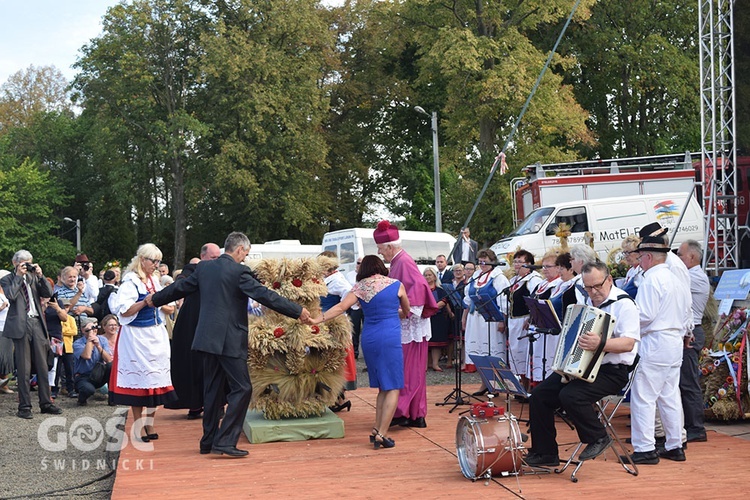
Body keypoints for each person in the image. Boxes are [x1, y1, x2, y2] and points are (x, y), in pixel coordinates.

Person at [149, 232, 311, 457]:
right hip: (229, 340)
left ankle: (208, 442)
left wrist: (154, 300)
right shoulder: (239, 272)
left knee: (212, 391)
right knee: (242, 388)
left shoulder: (203, 269)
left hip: (206, 339)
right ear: (240, 250)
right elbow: (266, 296)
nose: (246, 256)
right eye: (246, 252)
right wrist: (298, 311)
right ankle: (225, 441)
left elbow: (179, 288)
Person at [526, 262, 640, 467]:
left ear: (609, 280)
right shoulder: (588, 302)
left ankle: (598, 437)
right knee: (539, 396)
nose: (593, 292)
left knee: (571, 395)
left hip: (611, 371)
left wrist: (601, 344)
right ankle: (545, 453)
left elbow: (629, 343)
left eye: (597, 286)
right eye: (588, 287)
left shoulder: (624, 304)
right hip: (582, 366)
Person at [310, 255, 410, 449]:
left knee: (383, 385)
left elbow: (340, 307)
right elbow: (406, 311)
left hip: (370, 337)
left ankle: (376, 429)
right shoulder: (396, 284)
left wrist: (317, 320)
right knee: (394, 386)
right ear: (381, 266)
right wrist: (393, 312)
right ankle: (382, 433)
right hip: (389, 336)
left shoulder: (360, 287)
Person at [626, 235, 691, 464]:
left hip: (655, 340)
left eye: (640, 256)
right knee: (669, 395)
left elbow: (645, 315)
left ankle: (645, 448)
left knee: (644, 396)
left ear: (649, 257)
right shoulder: (676, 279)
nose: (639, 261)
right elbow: (686, 313)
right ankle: (675, 444)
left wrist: (626, 321)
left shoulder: (652, 279)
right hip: (674, 339)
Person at [108, 243, 177, 443]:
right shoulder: (130, 283)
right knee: (138, 383)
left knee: (155, 381)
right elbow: (123, 311)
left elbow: (170, 309)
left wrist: (161, 303)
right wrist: (145, 302)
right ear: (142, 260)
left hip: (156, 335)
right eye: (153, 261)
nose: (156, 265)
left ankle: (150, 423)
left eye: (158, 261)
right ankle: (139, 424)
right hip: (136, 337)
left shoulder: (156, 281)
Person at [375, 220, 438, 429]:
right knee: (413, 371)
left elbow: (417, 293)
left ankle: (401, 411)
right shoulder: (398, 262)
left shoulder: (403, 262)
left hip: (409, 326)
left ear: (391, 247)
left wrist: (399, 313)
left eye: (381, 249)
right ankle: (415, 413)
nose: (380, 253)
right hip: (411, 326)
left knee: (406, 370)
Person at [162, 242, 221, 420]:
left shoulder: (221, 269)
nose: (216, 260)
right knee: (192, 364)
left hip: (215, 320)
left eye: (218, 257)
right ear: (203, 257)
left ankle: (218, 404)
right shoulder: (191, 270)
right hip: (192, 322)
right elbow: (181, 281)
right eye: (213, 257)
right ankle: (195, 404)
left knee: (216, 363)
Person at [0, 250, 62, 418]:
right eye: (24, 263)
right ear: (15, 263)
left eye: (29, 262)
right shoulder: (7, 279)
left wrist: (41, 275)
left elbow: (48, 294)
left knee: (43, 366)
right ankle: (24, 406)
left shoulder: (34, 277)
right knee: (24, 367)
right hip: (20, 324)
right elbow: (11, 296)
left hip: (37, 322)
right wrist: (19, 276)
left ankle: (46, 403)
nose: (27, 266)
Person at [461, 249, 510, 393]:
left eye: (485, 260)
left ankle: (497, 384)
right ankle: (485, 383)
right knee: (479, 353)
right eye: (480, 261)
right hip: (474, 319)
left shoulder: (498, 277)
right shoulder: (475, 276)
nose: (482, 263)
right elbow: (468, 300)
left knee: (491, 351)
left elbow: (504, 300)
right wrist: (464, 319)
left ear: (492, 261)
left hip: (491, 319)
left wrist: (502, 320)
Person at [677, 239, 710, 443]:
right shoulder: (690, 275)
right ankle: (689, 424)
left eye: (680, 255)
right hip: (688, 331)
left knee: (688, 382)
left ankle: (696, 426)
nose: (679, 259)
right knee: (683, 382)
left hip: (692, 332)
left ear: (691, 257)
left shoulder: (694, 277)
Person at [318, 251, 356, 412]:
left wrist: (339, 315)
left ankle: (339, 399)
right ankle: (337, 399)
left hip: (334, 324)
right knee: (330, 361)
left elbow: (350, 301)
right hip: (323, 323)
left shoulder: (339, 281)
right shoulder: (326, 279)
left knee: (336, 361)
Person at [507, 249, 544, 386]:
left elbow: (536, 300)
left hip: (525, 321)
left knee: (525, 353)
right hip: (514, 321)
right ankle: (522, 382)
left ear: (529, 264)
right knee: (516, 353)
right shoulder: (514, 280)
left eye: (520, 262)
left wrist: (531, 318)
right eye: (515, 261)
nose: (516, 264)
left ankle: (529, 384)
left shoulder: (533, 280)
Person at [528, 249, 563, 383]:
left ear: (558, 268)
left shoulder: (558, 284)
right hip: (538, 327)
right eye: (543, 266)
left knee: (548, 358)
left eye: (548, 266)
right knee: (538, 358)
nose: (544, 269)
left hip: (550, 329)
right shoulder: (542, 283)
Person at [73, 320, 113, 405]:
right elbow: (87, 356)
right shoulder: (77, 343)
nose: (93, 331)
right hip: (84, 376)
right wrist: (89, 340)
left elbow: (108, 359)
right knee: (88, 390)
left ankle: (112, 398)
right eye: (89, 329)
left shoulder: (102, 340)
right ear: (83, 331)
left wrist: (98, 346)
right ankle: (81, 399)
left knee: (111, 366)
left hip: (99, 373)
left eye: (94, 328)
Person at [423, 267, 453, 372]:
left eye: (429, 275)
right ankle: (425, 365)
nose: (427, 277)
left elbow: (443, 301)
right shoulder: (421, 289)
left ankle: (435, 364)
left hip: (437, 318)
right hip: (425, 318)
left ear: (434, 276)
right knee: (425, 342)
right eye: (426, 275)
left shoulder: (440, 290)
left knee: (436, 342)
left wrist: (432, 308)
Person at [346, 258, 364, 361]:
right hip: (353, 306)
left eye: (362, 263)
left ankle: (366, 353)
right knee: (354, 330)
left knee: (365, 329)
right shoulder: (349, 275)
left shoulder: (367, 276)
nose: (359, 265)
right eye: (358, 263)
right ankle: (355, 352)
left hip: (364, 305)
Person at [0, 272, 15, 394]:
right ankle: (3, 383)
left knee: (7, 356)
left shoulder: (7, 293)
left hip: (8, 327)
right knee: (1, 355)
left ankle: (4, 383)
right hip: (0, 327)